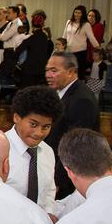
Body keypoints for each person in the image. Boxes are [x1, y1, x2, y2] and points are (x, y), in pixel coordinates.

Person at [45, 51, 100, 198]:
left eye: (54, 70)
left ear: (71, 72)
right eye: (47, 70)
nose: (48, 75)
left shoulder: (82, 100)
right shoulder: (63, 92)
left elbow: (74, 148)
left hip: (67, 180)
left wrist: (56, 182)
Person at [5, 86, 62, 217]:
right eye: (33, 124)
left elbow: (48, 191)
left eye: (46, 127)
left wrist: (49, 212)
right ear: (16, 117)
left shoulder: (47, 151)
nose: (39, 133)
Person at [64, 5, 99, 78]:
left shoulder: (86, 24)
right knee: (68, 74)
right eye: (75, 12)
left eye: (79, 13)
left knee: (78, 75)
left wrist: (98, 48)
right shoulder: (69, 22)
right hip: (69, 52)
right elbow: (64, 36)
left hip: (80, 54)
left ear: (83, 14)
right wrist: (61, 47)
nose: (76, 14)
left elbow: (92, 38)